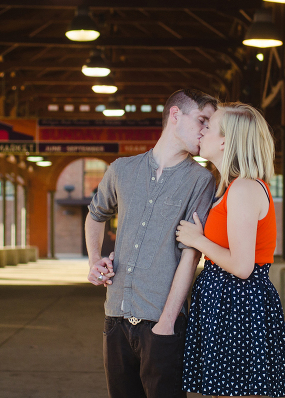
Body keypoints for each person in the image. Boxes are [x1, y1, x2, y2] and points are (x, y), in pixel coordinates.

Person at [85, 88, 218, 398]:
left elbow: (191, 254)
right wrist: (94, 260)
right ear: (175, 115)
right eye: (202, 120)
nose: (206, 131)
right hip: (115, 317)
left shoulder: (201, 180)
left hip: (162, 321)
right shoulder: (121, 169)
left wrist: (167, 323)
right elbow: (95, 215)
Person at [176, 102, 285, 398]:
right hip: (228, 300)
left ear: (225, 141)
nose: (201, 131)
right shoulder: (231, 187)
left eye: (209, 126)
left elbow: (243, 267)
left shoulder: (244, 188)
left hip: (238, 302)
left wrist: (197, 240)